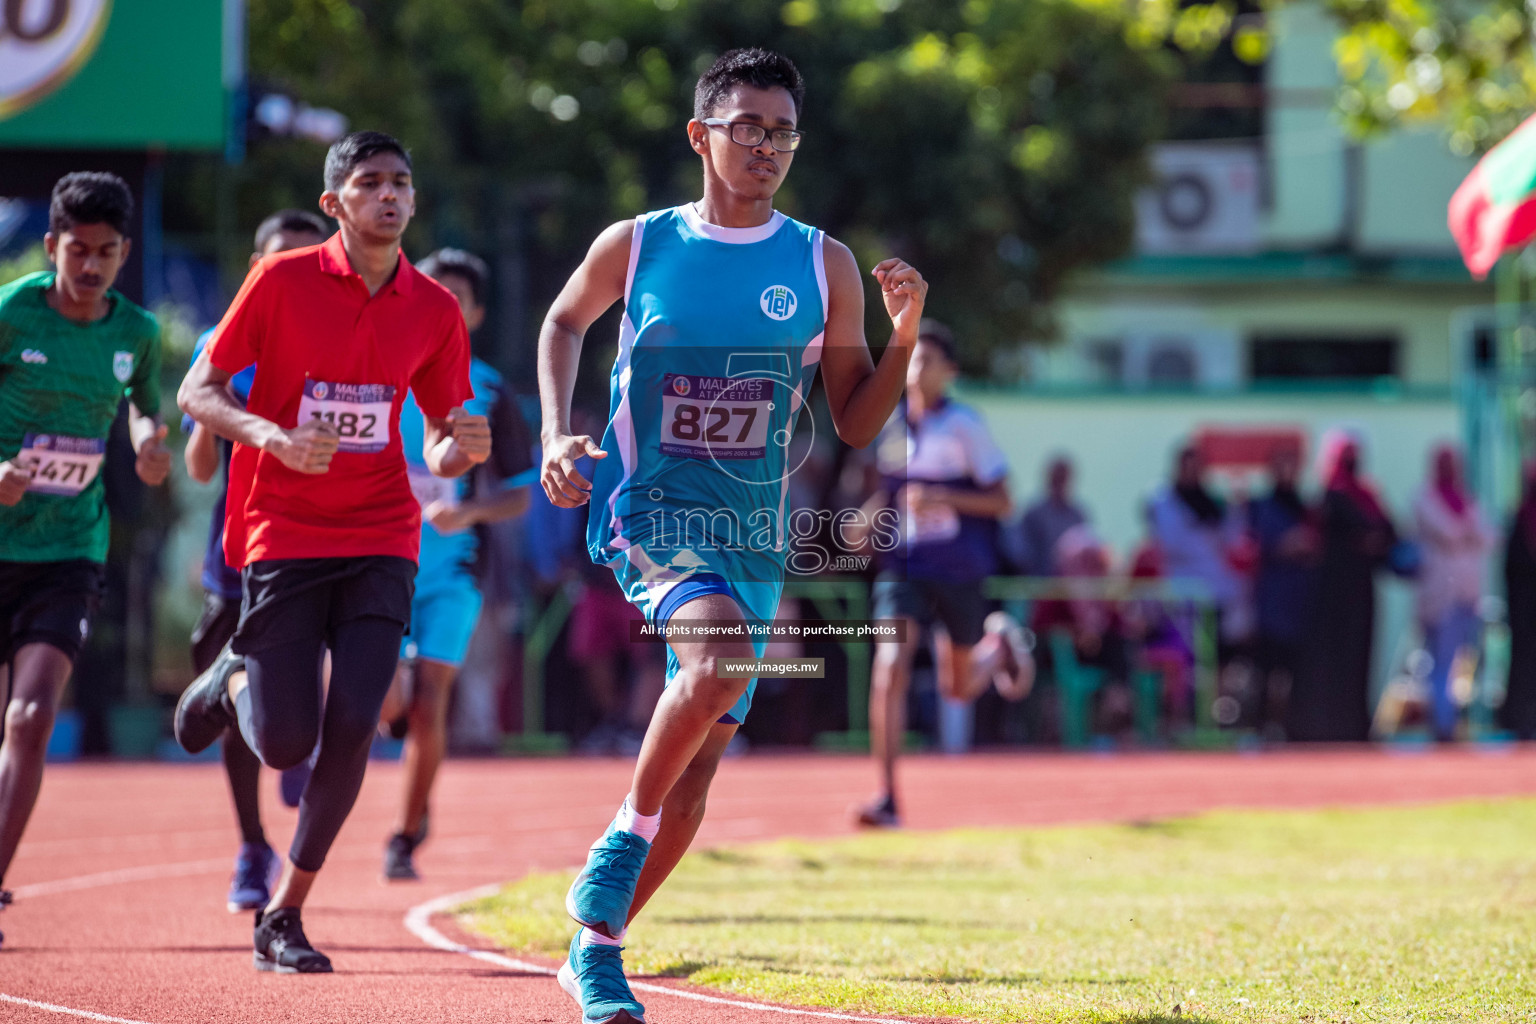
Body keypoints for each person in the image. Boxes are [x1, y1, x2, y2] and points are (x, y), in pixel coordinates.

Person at [537, 49, 927, 1024]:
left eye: (783, 131)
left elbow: (855, 419)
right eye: (747, 126)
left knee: (700, 770)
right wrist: (554, 429)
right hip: (651, 506)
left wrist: (906, 334)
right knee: (714, 664)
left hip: (750, 535)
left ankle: (595, 950)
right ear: (700, 134)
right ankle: (617, 845)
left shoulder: (821, 262)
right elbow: (561, 322)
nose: (765, 146)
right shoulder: (637, 245)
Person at [173, 131, 486, 973]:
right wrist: (268, 434)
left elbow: (444, 444)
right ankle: (233, 676)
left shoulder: (433, 308)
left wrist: (464, 446)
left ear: (413, 201)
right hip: (283, 530)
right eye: (371, 182)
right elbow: (194, 390)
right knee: (283, 742)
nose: (389, 195)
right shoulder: (279, 280)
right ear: (334, 203)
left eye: (401, 182)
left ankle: (286, 914)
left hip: (383, 532)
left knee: (356, 725)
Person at [0, 172, 171, 947]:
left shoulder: (134, 331)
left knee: (30, 716)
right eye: (78, 251)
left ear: (124, 253)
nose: (91, 266)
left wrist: (147, 443)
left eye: (106, 252)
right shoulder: (12, 313)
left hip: (70, 547)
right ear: (51, 247)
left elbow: (143, 402)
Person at [183, 209, 330, 912]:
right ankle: (251, 845)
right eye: (283, 261)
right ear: (257, 267)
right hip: (242, 550)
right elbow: (196, 461)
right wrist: (226, 426)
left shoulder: (345, 328)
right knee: (236, 701)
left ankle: (302, 735)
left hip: (329, 543)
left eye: (311, 259)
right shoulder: (223, 342)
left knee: (322, 662)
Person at [378, 247, 532, 881]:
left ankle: (405, 833)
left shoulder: (491, 390)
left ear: (474, 312)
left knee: (430, 699)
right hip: (377, 557)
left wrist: (465, 515)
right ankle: (385, 725)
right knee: (384, 700)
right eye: (427, 290)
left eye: (454, 297)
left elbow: (521, 493)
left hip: (451, 572)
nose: (439, 305)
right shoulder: (375, 370)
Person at [856, 320, 1025, 828]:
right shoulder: (891, 429)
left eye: (928, 360)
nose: (917, 369)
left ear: (949, 371)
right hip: (903, 568)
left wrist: (945, 497)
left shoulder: (966, 426)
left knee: (957, 687)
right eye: (912, 359)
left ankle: (995, 651)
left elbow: (1003, 500)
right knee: (890, 665)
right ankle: (887, 796)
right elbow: (887, 497)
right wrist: (863, 522)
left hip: (959, 568)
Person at [1286, 429, 1396, 743]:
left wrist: (1369, 540)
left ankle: (1354, 726)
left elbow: (1388, 533)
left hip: (1361, 592)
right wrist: (1364, 541)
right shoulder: (1329, 497)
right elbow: (1343, 535)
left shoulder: (1368, 495)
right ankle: (1321, 726)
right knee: (1328, 660)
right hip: (1330, 593)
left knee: (1359, 659)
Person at [1412, 443, 1492, 742]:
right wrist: (1468, 531)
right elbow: (1450, 532)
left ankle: (1454, 719)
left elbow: (1489, 536)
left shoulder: (1467, 499)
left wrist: (1468, 530)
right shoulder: (1424, 497)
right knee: (1440, 660)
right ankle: (1442, 724)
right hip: (1439, 594)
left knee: (1464, 661)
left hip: (1468, 592)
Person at [1148, 443, 1252, 647]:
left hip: (1216, 591)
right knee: (1190, 652)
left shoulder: (1210, 501)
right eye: (1188, 467)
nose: (1193, 473)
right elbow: (1172, 542)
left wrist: (1238, 506)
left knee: (1218, 649)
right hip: (1184, 588)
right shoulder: (1163, 500)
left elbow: (1232, 537)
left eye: (1198, 467)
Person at [1246, 445, 1317, 734]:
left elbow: (1314, 543)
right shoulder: (1260, 506)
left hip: (1299, 599)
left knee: (1295, 670)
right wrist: (1286, 546)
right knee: (1266, 670)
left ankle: (1291, 727)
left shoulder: (1304, 506)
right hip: (1270, 599)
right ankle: (1261, 726)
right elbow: (1257, 545)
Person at [1499, 460, 1536, 739]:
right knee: (1524, 663)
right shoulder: (1521, 517)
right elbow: (1511, 568)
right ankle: (1521, 719)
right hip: (1524, 611)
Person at [1006, 454, 1087, 576]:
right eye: (1056, 479)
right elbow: (1020, 553)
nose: (1059, 483)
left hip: (1070, 588)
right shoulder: (1033, 514)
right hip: (1039, 585)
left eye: (1063, 478)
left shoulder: (1078, 515)